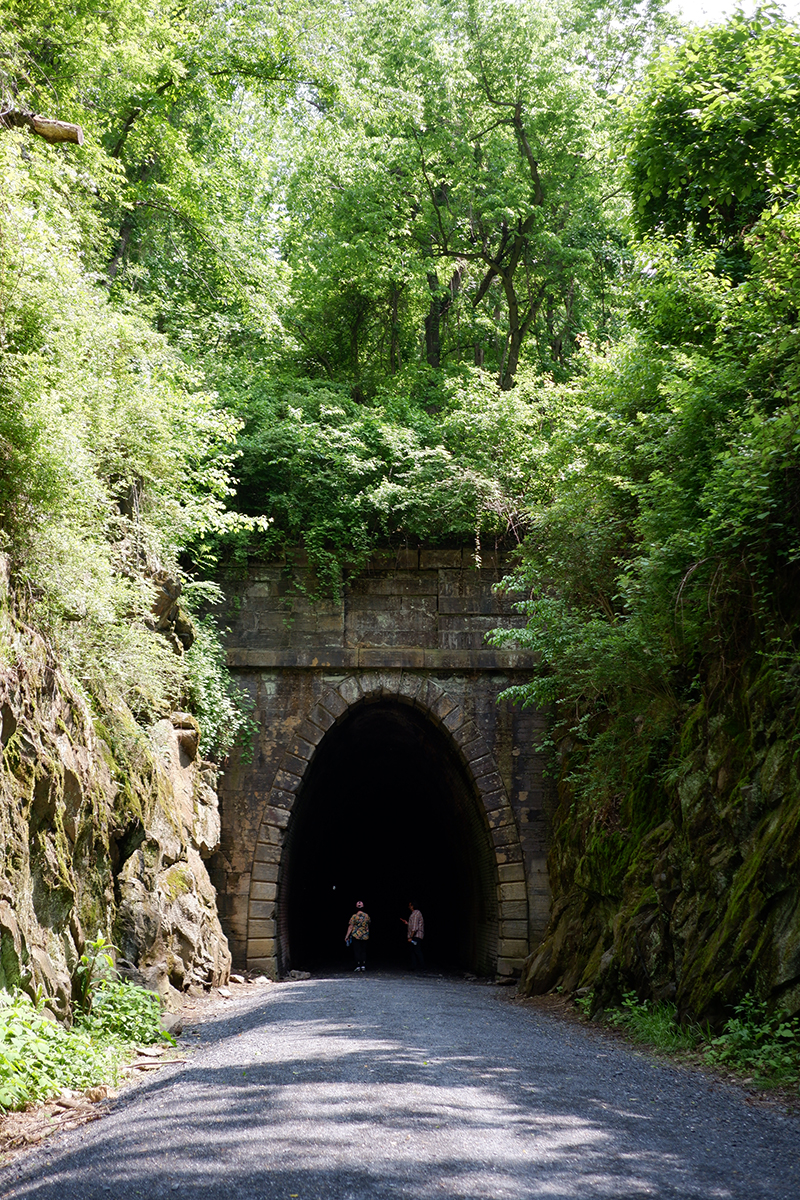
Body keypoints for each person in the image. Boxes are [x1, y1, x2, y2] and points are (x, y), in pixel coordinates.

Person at [346, 900, 370, 972]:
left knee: (357, 950)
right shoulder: (367, 916)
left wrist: (347, 936)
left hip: (356, 935)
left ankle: (358, 965)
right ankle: (363, 965)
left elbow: (350, 926)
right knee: (363, 950)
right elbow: (368, 923)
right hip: (365, 935)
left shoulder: (354, 916)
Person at [400, 901, 424, 970]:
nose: (409, 907)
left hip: (416, 935)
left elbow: (415, 927)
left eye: (410, 905)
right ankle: (414, 966)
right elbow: (413, 925)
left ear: (413, 906)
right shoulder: (414, 914)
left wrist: (411, 937)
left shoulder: (416, 914)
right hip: (415, 935)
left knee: (417, 950)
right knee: (413, 951)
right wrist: (407, 923)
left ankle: (422, 967)